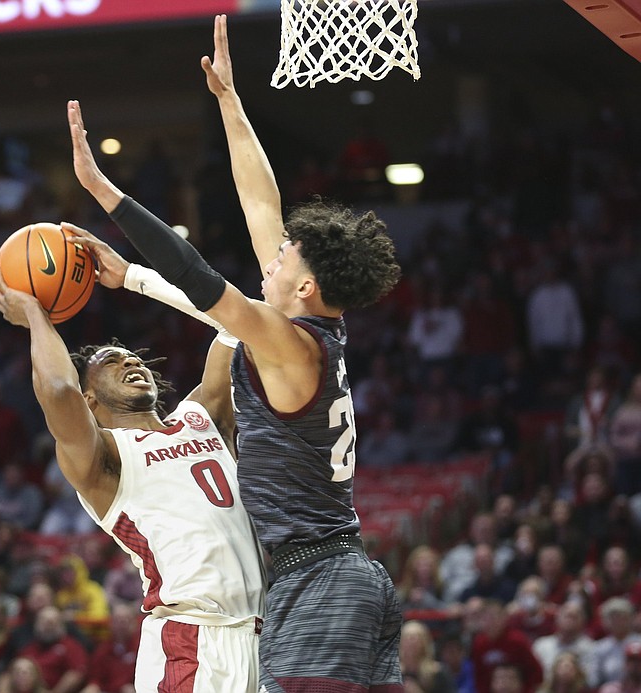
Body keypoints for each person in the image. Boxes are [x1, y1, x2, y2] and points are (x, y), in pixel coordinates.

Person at [67, 14, 404, 692]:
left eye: (285, 255)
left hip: (319, 582)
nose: (273, 253)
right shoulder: (307, 327)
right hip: (325, 577)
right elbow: (261, 202)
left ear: (305, 283)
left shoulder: (287, 339)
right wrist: (230, 103)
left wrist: (110, 197)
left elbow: (199, 281)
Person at [0, 228, 266, 689]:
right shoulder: (105, 460)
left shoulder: (202, 417)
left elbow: (237, 321)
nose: (130, 362)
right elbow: (58, 390)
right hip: (193, 642)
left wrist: (137, 278)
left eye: (133, 357)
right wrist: (37, 314)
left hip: (265, 635)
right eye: (110, 363)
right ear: (90, 400)